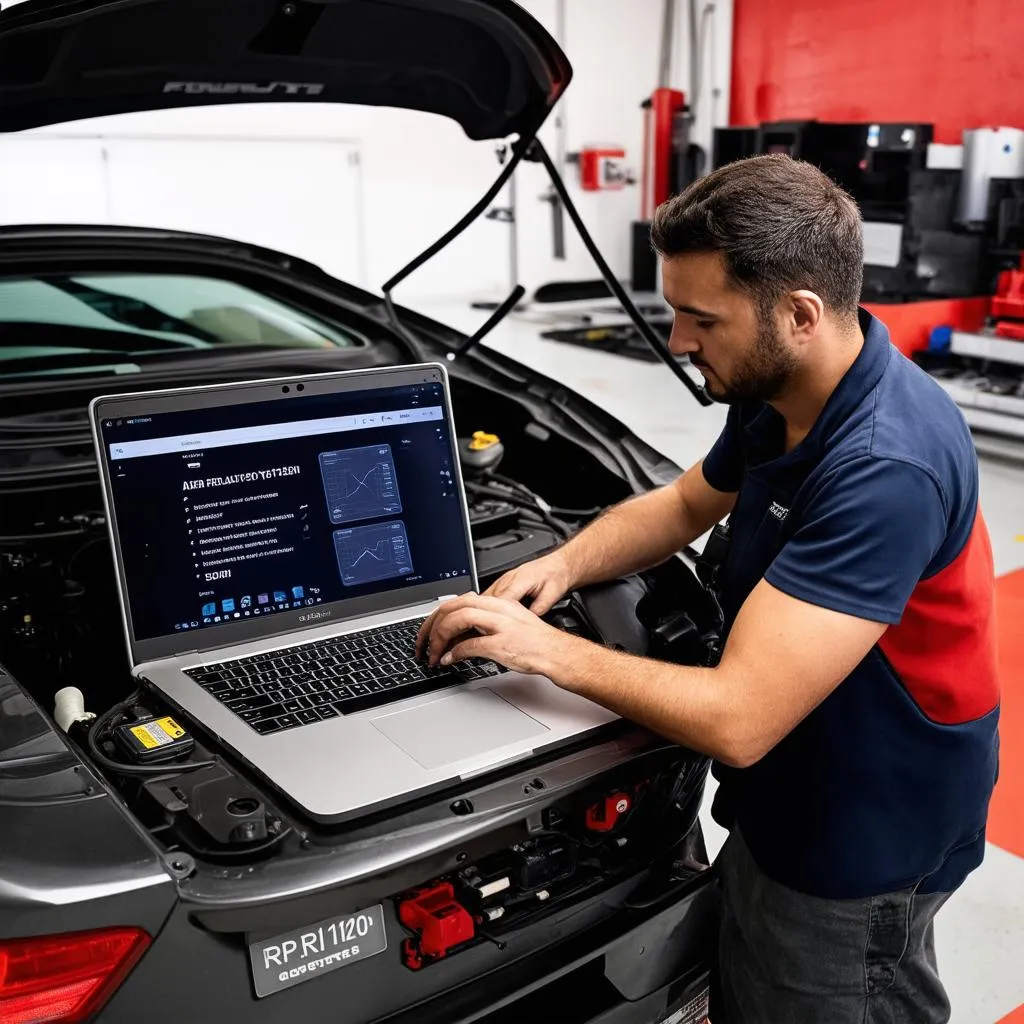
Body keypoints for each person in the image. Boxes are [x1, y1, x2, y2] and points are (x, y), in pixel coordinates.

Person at [416, 154, 999, 1023]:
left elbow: (740, 718)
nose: (680, 343)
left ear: (799, 313)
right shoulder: (787, 389)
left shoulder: (885, 466)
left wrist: (549, 652)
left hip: (861, 831)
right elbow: (690, 500)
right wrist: (565, 564)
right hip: (797, 789)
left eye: (700, 319)